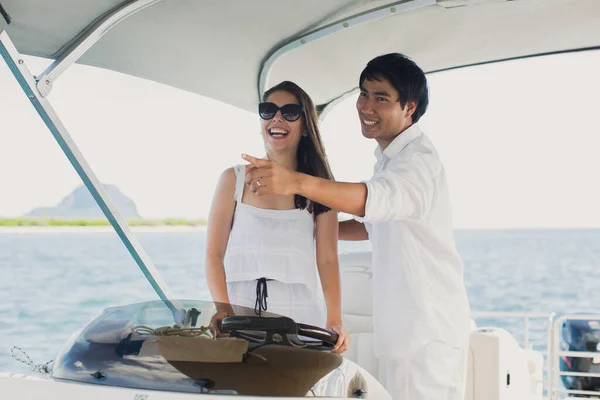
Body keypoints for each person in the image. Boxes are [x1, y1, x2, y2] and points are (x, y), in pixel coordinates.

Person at [242, 54, 471, 399]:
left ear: (409, 107)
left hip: (426, 333)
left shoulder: (416, 162)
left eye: (381, 97)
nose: (367, 106)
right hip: (407, 329)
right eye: (364, 94)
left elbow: (373, 200)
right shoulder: (389, 158)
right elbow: (373, 225)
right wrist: (305, 230)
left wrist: (294, 182)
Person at [205, 81, 349, 354]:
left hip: (300, 314)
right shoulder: (233, 179)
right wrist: (223, 309)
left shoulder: (320, 187)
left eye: (290, 111)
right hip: (239, 310)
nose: (277, 118)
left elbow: (328, 258)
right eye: (268, 110)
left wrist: (335, 319)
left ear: (306, 126)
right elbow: (213, 253)